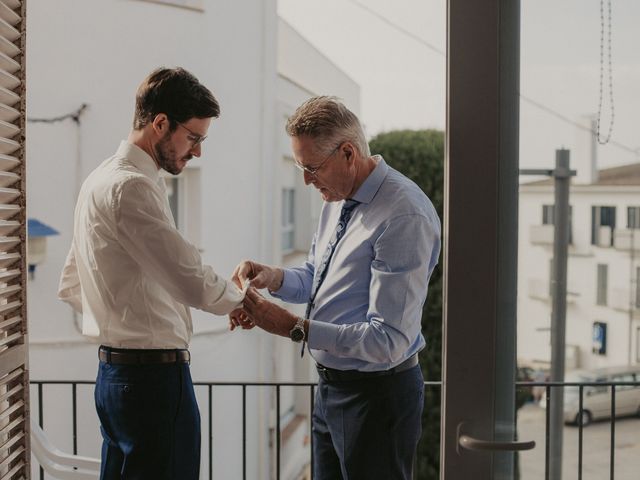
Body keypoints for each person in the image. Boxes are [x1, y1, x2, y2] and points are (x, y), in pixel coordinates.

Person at [231, 96, 441, 480]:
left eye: (311, 168)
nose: (306, 182)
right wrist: (272, 277)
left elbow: (388, 339)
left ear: (348, 153)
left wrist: (293, 328)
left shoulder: (403, 213)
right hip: (330, 390)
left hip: (377, 398)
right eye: (300, 168)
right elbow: (317, 277)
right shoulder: (336, 199)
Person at [58, 67, 244, 480]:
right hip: (152, 382)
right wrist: (241, 299)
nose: (197, 151)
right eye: (193, 137)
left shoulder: (99, 180)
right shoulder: (132, 187)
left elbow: (73, 280)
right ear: (161, 123)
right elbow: (190, 276)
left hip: (114, 378)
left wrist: (120, 316)